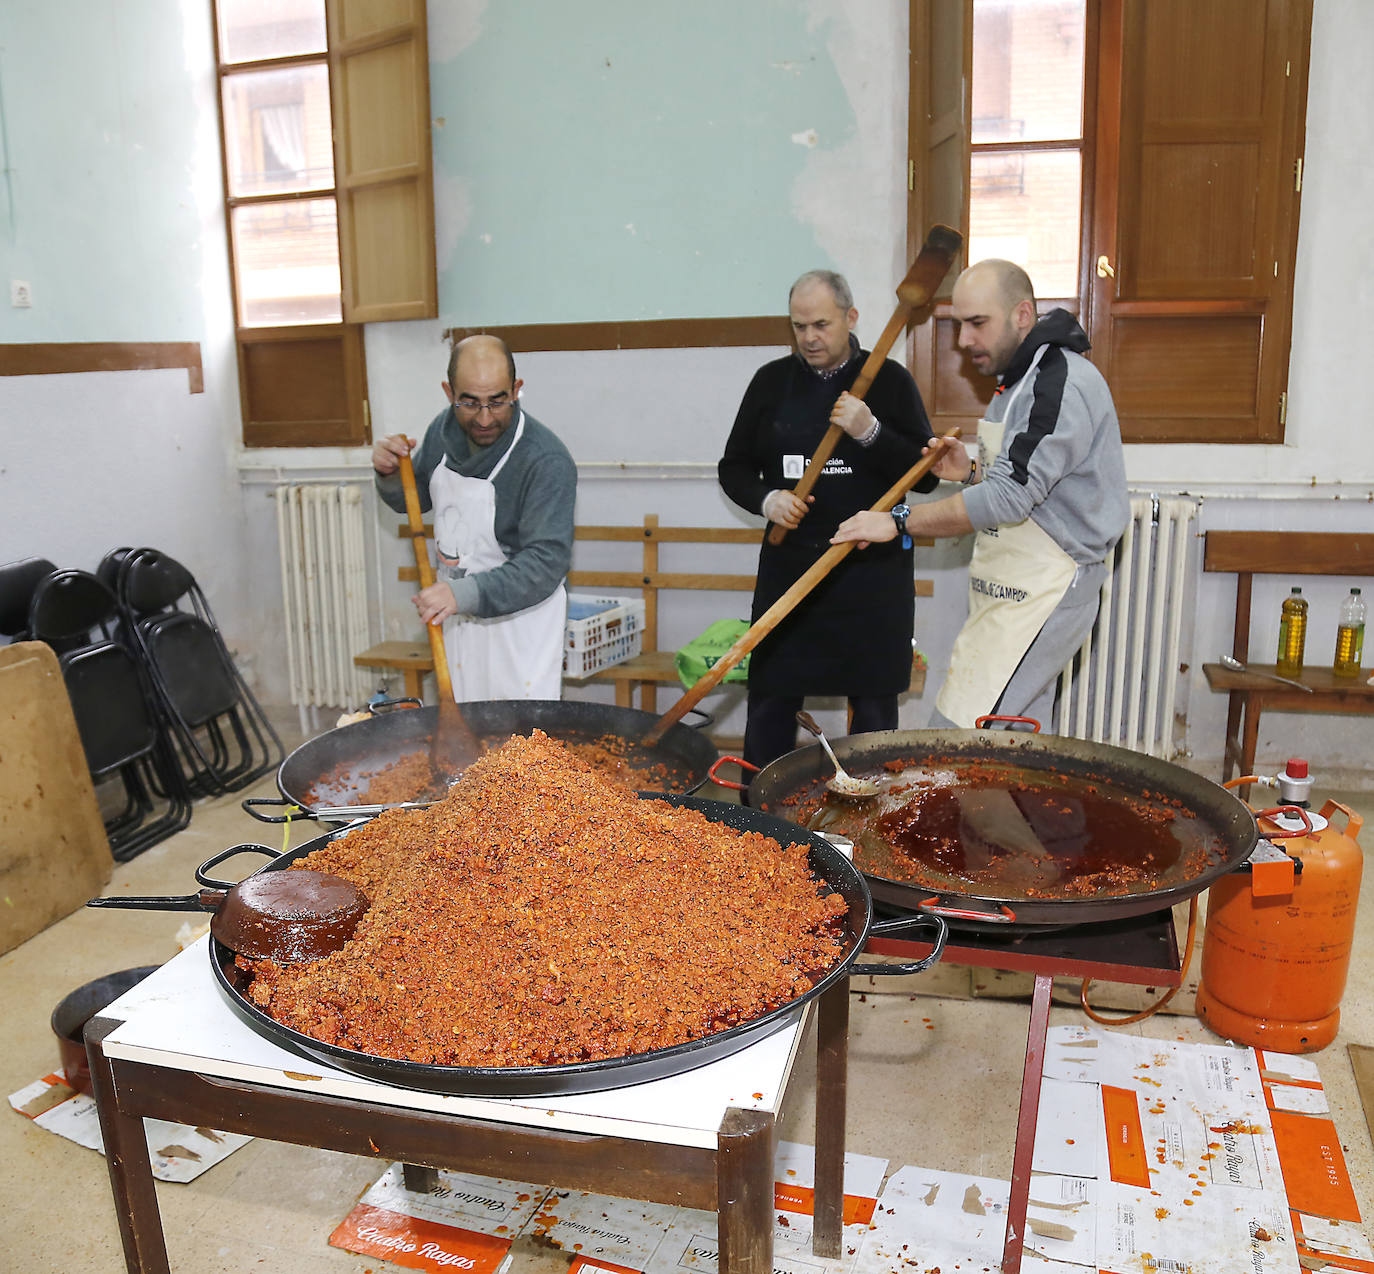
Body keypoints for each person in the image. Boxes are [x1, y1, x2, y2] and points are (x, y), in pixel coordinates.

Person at [832, 259, 1128, 729]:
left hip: (1049, 584)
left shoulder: (1058, 383)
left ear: (1023, 315)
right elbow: (1028, 484)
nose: (964, 340)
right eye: (958, 325)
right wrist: (970, 472)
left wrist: (898, 520)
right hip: (1014, 578)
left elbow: (1010, 499)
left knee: (968, 739)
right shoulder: (1015, 381)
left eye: (977, 323)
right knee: (1017, 740)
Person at [718, 269, 939, 768]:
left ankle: (870, 824)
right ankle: (758, 822)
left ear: (850, 318)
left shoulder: (889, 381)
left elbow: (924, 479)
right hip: (791, 570)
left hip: (871, 575)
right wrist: (767, 499)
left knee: (875, 710)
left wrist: (870, 431)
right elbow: (733, 468)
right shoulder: (771, 382)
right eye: (799, 327)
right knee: (772, 700)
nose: (809, 338)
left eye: (820, 324)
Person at [372, 334, 577, 702]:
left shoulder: (545, 460)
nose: (484, 418)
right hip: (458, 616)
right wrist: (389, 472)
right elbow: (414, 500)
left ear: (516, 389)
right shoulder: (444, 431)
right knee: (465, 728)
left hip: (517, 627)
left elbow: (546, 562)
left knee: (516, 743)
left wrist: (464, 593)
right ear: (449, 392)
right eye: (470, 403)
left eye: (497, 402)